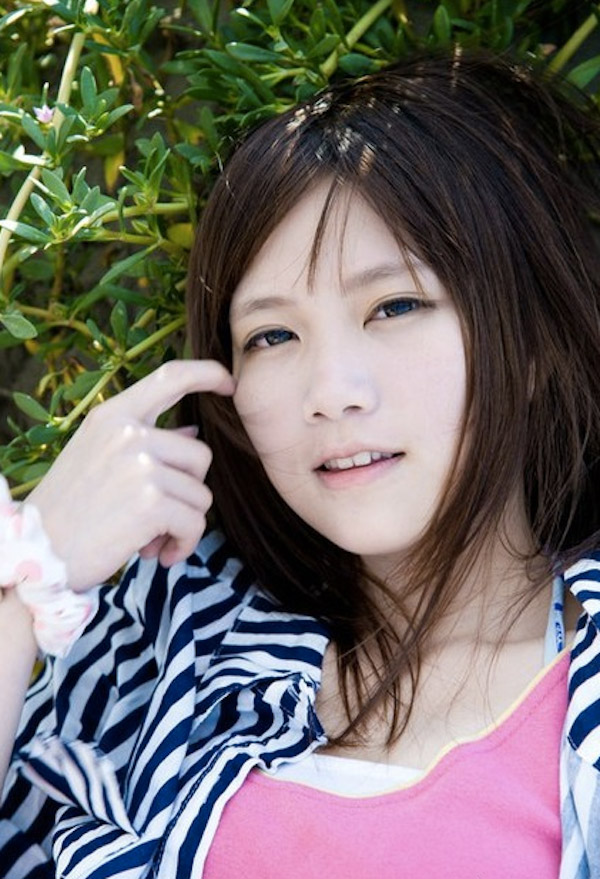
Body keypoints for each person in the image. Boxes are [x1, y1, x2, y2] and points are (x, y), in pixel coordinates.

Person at [1, 47, 600, 878]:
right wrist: (30, 576)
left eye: (394, 305)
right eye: (273, 334)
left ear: (531, 343)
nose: (332, 392)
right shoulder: (170, 648)